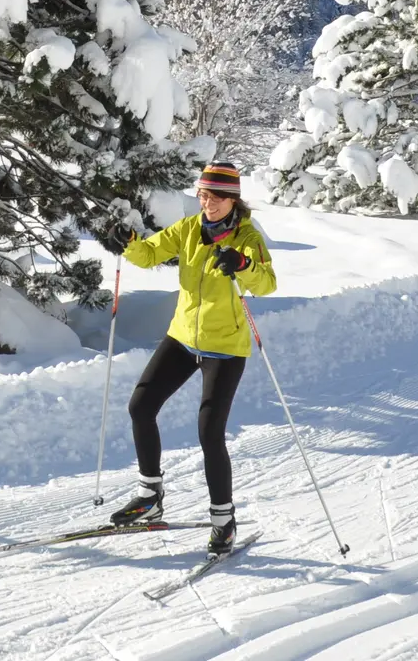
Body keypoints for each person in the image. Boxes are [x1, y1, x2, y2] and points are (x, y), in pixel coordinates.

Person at [99, 161, 276, 555]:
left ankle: (223, 520)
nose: (207, 203)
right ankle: (149, 496)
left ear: (232, 199)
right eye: (202, 195)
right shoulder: (190, 229)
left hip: (225, 347)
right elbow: (149, 254)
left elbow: (266, 282)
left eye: (215, 197)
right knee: (141, 406)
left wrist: (242, 264)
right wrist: (127, 241)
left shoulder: (246, 237)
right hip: (182, 337)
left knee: (209, 433)